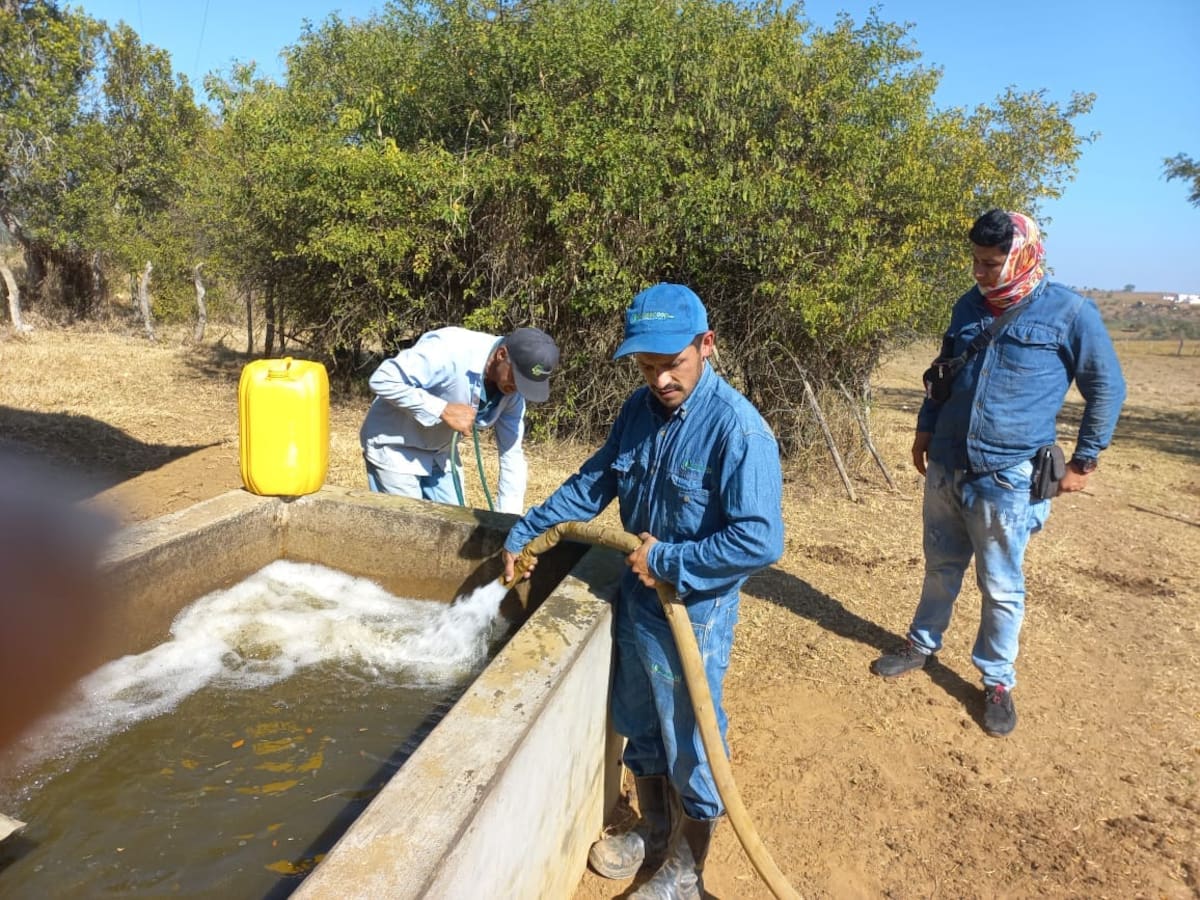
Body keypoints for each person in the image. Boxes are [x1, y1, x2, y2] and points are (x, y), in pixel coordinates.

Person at [501, 283, 784, 898]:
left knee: (692, 740)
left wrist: (674, 559)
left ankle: (685, 873)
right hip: (639, 598)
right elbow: (593, 482)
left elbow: (760, 541)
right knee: (638, 720)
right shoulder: (637, 411)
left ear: (706, 346)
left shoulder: (738, 431)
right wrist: (526, 530)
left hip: (693, 611)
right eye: (647, 367)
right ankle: (654, 838)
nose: (659, 380)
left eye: (672, 364)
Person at [872, 209, 1126, 737]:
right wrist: (924, 430)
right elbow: (940, 377)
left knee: (1001, 587)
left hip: (1006, 476)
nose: (981, 274)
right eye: (976, 262)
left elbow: (1106, 388)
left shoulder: (1070, 312)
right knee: (941, 566)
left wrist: (1084, 460)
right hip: (947, 463)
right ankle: (921, 644)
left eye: (991, 263)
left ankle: (997, 681)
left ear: (1022, 255)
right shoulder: (969, 305)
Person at [359, 326, 559, 514]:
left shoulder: (513, 394)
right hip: (395, 448)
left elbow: (511, 454)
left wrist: (508, 520)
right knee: (408, 531)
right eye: (517, 378)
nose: (518, 388)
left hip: (441, 454)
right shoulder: (449, 348)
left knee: (453, 525)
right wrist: (442, 409)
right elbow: (383, 379)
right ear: (501, 355)